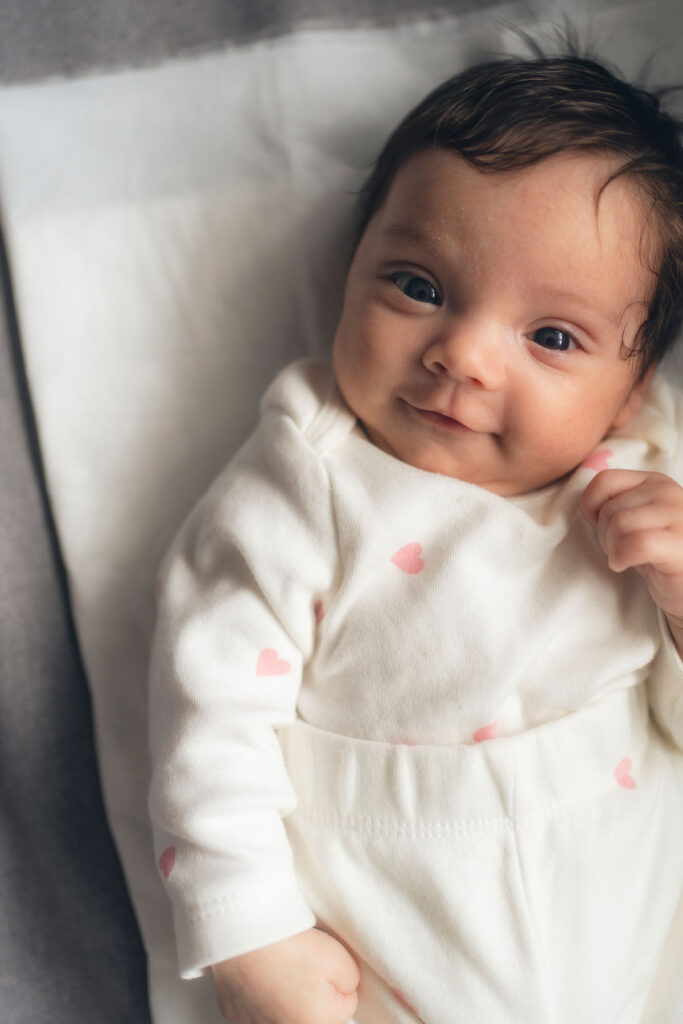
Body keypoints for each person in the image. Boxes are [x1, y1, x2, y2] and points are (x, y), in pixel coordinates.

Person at [148, 39, 683, 1024]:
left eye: (551, 337)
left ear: (632, 388)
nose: (465, 354)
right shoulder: (312, 474)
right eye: (418, 287)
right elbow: (205, 710)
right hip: (395, 939)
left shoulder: (645, 488)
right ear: (349, 273)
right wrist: (249, 936)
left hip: (636, 932)